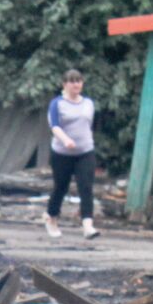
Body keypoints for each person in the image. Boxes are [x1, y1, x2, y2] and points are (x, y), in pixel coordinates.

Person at [44, 69, 99, 240]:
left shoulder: (88, 103)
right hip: (62, 153)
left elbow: (91, 124)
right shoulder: (57, 104)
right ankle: (51, 217)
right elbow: (55, 126)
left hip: (85, 152)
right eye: (72, 81)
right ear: (65, 84)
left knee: (86, 186)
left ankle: (88, 225)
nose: (76, 84)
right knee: (61, 187)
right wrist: (66, 140)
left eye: (79, 81)